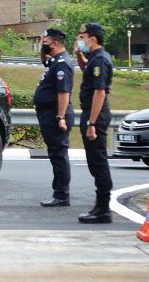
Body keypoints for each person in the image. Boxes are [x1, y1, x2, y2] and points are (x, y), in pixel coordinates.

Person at [74, 22, 114, 223]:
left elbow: (100, 92)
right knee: (94, 161)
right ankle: (100, 206)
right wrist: (80, 57)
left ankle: (103, 208)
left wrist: (92, 123)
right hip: (91, 113)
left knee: (98, 162)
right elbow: (87, 72)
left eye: (82, 37)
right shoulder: (93, 59)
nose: (79, 40)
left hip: (95, 115)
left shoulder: (100, 60)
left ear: (93, 39)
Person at [34, 28, 74, 206]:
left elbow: (64, 92)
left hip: (55, 115)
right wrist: (43, 46)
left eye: (46, 42)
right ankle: (59, 191)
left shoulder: (62, 64)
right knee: (55, 154)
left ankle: (61, 194)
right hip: (48, 113)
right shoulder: (55, 61)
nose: (43, 44)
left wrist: (60, 117)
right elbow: (44, 61)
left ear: (56, 43)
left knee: (59, 154)